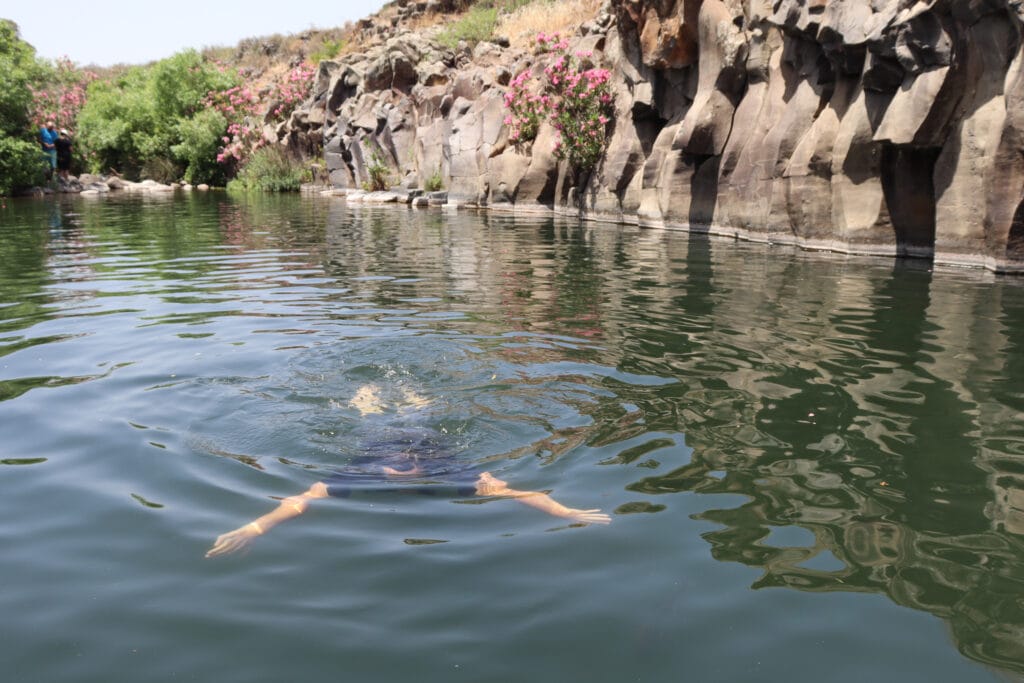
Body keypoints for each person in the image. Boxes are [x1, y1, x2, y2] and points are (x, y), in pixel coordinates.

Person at [206, 384, 611, 557]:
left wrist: (566, 513)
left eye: (409, 467)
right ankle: (369, 398)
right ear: (382, 466)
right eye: (395, 469)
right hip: (377, 436)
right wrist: (253, 528)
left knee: (417, 414)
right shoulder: (365, 468)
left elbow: (515, 491)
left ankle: (414, 401)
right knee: (371, 415)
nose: (402, 471)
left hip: (424, 435)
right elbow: (305, 498)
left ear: (422, 465)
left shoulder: (446, 469)